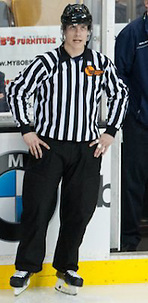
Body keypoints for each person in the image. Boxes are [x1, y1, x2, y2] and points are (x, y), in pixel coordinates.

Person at [6, 4, 128, 296]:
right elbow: (17, 90)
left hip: (86, 150)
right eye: (72, 27)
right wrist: (27, 129)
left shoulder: (99, 63)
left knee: (80, 210)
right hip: (49, 146)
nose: (78, 33)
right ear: (63, 30)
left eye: (83, 28)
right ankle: (25, 267)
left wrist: (110, 131)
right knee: (37, 208)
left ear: (89, 32)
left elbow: (120, 93)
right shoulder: (46, 62)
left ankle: (67, 267)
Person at [115, 0, 148, 252]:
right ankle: (128, 239)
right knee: (133, 183)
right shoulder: (131, 34)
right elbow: (120, 78)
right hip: (139, 123)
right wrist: (132, 112)